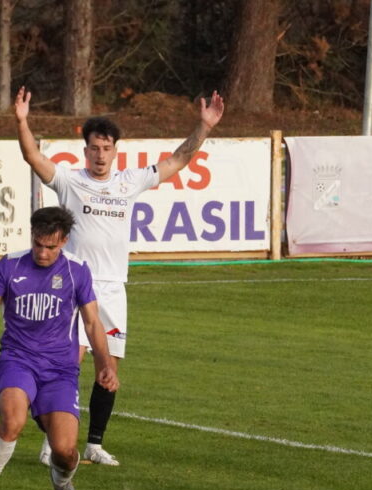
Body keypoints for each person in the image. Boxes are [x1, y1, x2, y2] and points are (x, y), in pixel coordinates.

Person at [15, 86, 225, 467]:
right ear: (85, 150)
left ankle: (94, 443)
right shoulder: (69, 181)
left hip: (112, 289)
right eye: (94, 148)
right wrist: (22, 121)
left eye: (107, 148)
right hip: (72, 287)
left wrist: (204, 126)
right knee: (68, 363)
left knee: (108, 369)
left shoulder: (129, 182)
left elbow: (179, 159)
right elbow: (32, 155)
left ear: (116, 151)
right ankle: (53, 443)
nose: (100, 155)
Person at [0, 206, 118, 490]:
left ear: (65, 241)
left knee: (65, 451)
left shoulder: (77, 270)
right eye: (38, 244)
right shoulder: (9, 265)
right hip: (17, 360)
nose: (43, 253)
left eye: (51, 247)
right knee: (12, 422)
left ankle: (62, 479)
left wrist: (105, 365)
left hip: (60, 370)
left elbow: (93, 323)